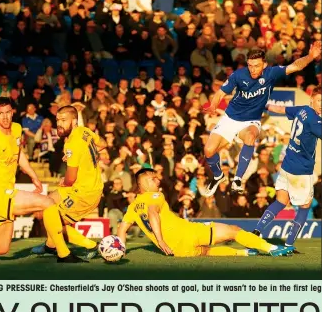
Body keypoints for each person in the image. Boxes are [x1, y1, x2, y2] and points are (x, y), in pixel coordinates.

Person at [204, 42, 321, 194]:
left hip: (250, 121)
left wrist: (311, 56)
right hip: (230, 118)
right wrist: (213, 106)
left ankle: (238, 179)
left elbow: (296, 66)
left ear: (264, 64)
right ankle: (218, 175)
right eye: (250, 65)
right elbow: (220, 93)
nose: (252, 69)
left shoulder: (271, 73)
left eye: (256, 65)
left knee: (251, 136)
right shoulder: (238, 75)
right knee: (208, 151)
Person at [118, 168, 282, 257]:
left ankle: (244, 252)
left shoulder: (132, 207)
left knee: (206, 252)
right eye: (153, 178)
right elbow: (153, 213)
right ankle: (271, 248)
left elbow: (121, 230)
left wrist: (120, 249)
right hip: (187, 233)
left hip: (179, 251)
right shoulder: (154, 196)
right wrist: (160, 241)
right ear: (142, 183)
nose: (158, 180)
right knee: (234, 230)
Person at [0, 98, 54, 257]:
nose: (5, 117)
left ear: (13, 112)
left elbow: (19, 154)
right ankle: (57, 249)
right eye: (0, 113)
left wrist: (33, 176)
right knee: (48, 202)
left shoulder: (17, 128)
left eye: (8, 112)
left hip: (8, 193)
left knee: (1, 249)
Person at [33, 105, 105, 263]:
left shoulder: (73, 143)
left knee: (52, 219)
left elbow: (70, 179)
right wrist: (85, 156)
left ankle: (91, 245)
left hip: (85, 192)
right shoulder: (83, 131)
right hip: (82, 186)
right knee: (44, 206)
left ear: (73, 121)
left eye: (63, 120)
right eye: (58, 120)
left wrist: (64, 181)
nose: (59, 123)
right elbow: (103, 143)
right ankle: (50, 246)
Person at [254, 87, 322, 254]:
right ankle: (289, 245)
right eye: (320, 100)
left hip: (286, 165)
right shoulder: (314, 120)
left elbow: (280, 108)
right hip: (301, 170)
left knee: (280, 201)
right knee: (305, 206)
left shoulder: (303, 110)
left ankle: (256, 233)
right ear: (312, 100)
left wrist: (262, 104)